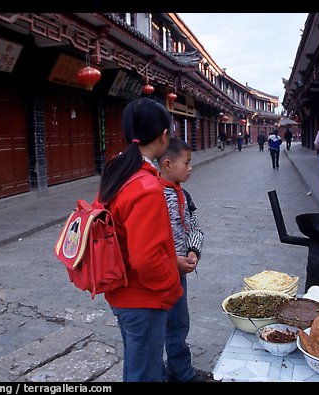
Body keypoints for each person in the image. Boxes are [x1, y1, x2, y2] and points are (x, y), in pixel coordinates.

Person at [97, 97, 182, 382]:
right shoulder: (146, 186)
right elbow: (146, 259)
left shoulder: (117, 169)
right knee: (145, 373)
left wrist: (171, 260)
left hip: (121, 291)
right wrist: (171, 280)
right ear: (164, 136)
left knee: (137, 364)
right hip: (142, 297)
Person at [158, 137, 205, 382]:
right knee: (156, 330)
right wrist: (170, 260)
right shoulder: (151, 194)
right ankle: (158, 375)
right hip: (158, 275)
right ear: (167, 164)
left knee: (178, 325)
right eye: (186, 163)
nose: (190, 167)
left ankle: (182, 372)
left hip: (180, 275)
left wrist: (193, 251)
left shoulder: (184, 195)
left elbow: (194, 228)